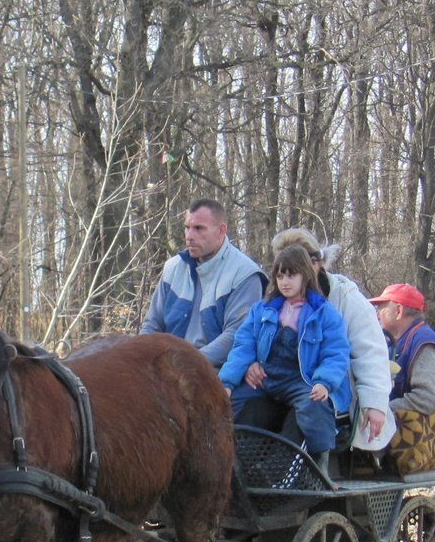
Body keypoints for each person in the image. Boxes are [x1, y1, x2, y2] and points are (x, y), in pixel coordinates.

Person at [219, 245, 352, 468]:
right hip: (268, 379)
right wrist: (228, 382)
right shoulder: (262, 310)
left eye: (291, 275)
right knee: (233, 402)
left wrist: (324, 382)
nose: (284, 282)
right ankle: (236, 465)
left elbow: (336, 353)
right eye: (280, 276)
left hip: (302, 380)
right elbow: (243, 345)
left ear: (306, 276)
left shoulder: (324, 313)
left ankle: (320, 467)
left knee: (314, 405)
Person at [270, 228, 393, 452]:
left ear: (315, 264)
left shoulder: (346, 299)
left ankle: (278, 476)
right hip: (282, 384)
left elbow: (371, 354)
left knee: (306, 412)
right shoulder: (274, 301)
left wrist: (374, 403)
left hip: (332, 389)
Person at [141, 198, 267, 367]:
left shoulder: (244, 274)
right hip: (169, 369)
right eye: (187, 228)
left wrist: (185, 363)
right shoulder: (173, 268)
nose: (189, 236)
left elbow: (236, 336)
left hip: (219, 373)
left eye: (199, 228)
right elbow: (152, 325)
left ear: (221, 231)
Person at [369, 282, 435, 475]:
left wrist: (384, 409)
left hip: (419, 432)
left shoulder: (424, 342)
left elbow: (432, 398)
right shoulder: (392, 341)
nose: (377, 313)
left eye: (382, 307)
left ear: (399, 311)